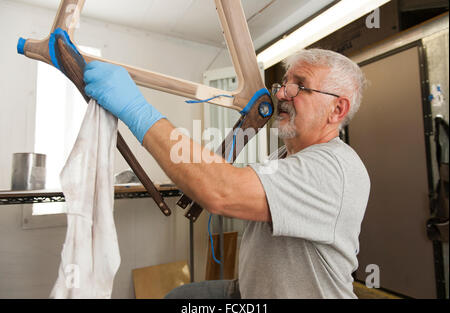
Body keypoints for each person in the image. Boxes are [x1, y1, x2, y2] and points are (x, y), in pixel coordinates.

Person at [83, 48, 370, 299]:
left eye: (299, 87)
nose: (281, 94)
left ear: (337, 109)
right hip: (248, 290)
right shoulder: (280, 157)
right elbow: (224, 184)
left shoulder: (333, 168)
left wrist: (135, 109)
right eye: (283, 84)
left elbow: (221, 191)